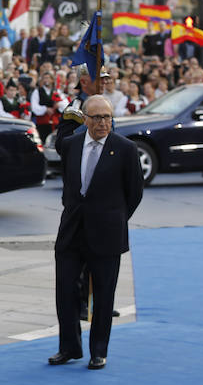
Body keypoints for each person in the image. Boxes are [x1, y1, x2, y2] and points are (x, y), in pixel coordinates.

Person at [50, 95, 143, 370]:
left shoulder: (125, 148)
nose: (103, 123)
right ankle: (69, 347)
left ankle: (98, 350)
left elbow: (134, 192)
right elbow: (62, 154)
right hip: (72, 230)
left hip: (107, 233)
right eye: (97, 117)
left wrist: (114, 218)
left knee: (103, 295)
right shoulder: (72, 145)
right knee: (65, 290)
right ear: (86, 119)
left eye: (107, 117)